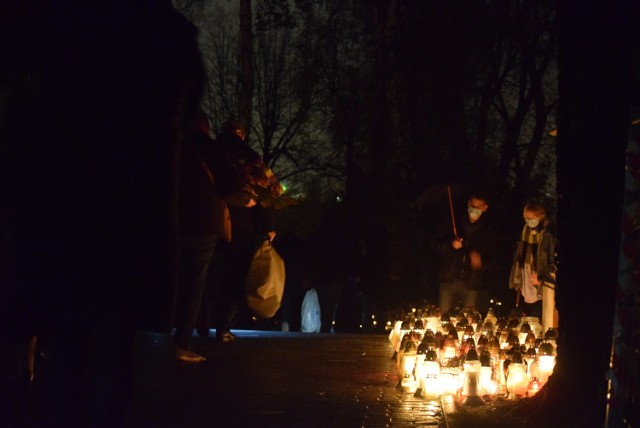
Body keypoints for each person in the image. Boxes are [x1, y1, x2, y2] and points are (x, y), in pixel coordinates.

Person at [0, 1, 205, 425]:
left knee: (69, 344)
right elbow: (185, 117)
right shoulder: (168, 33)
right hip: (135, 212)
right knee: (113, 347)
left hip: (70, 206)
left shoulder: (66, 22)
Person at [209, 118, 283, 342]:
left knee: (206, 272)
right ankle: (223, 325)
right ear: (241, 134)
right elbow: (269, 194)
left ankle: (199, 319)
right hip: (239, 223)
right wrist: (268, 227)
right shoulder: (248, 157)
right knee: (234, 273)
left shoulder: (210, 153)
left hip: (207, 217)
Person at [173, 111, 221, 362]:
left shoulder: (176, 146)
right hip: (204, 222)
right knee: (194, 283)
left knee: (173, 278)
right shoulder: (213, 150)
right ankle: (182, 342)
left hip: (175, 219)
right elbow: (228, 184)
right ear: (206, 127)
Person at [434, 191, 495, 315]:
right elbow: (435, 245)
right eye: (472, 205)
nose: (474, 209)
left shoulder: (488, 231)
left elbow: (494, 260)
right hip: (449, 280)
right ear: (468, 203)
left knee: (469, 323)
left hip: (471, 284)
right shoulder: (453, 222)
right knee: (444, 319)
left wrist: (480, 262)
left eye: (478, 207)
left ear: (485, 208)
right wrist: (451, 245)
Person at [508, 201, 557, 332]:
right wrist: (517, 279)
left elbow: (551, 260)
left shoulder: (547, 234)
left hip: (540, 282)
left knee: (540, 318)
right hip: (526, 280)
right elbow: (519, 257)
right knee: (527, 319)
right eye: (527, 218)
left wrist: (541, 280)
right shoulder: (525, 231)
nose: (529, 222)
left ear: (540, 217)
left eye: (532, 218)